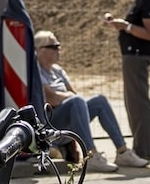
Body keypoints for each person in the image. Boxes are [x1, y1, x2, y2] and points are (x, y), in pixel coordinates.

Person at [34, 31, 136, 172]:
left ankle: (123, 151)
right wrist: (68, 97)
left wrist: (67, 97)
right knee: (76, 101)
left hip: (66, 115)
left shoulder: (57, 70)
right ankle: (91, 155)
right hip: (51, 123)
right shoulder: (36, 71)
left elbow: (72, 94)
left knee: (99, 100)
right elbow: (52, 98)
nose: (59, 49)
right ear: (40, 50)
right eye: (54, 46)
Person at [101, 0, 150, 169]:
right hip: (134, 54)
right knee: (134, 102)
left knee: (138, 103)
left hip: (137, 55)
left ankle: (144, 149)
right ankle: (142, 147)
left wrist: (125, 26)